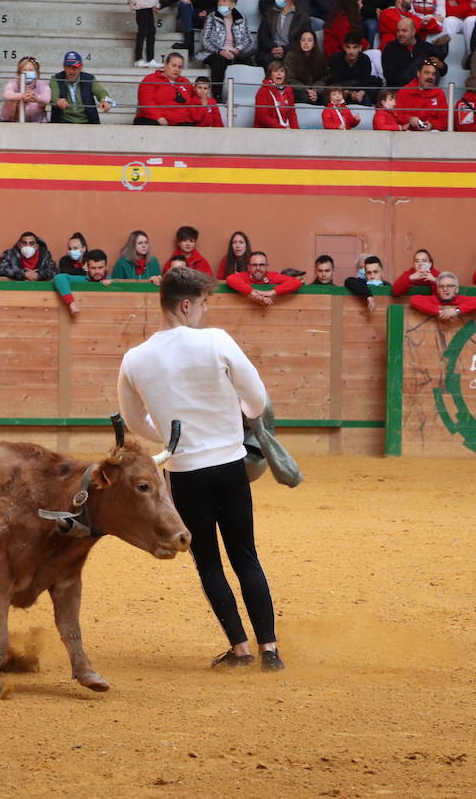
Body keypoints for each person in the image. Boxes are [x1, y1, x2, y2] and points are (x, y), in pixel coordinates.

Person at [117, 267, 283, 672]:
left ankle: (240, 649)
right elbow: (257, 398)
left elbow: (133, 420)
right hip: (229, 465)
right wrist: (241, 417)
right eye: (204, 304)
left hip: (185, 470)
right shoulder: (216, 341)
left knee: (207, 560)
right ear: (186, 304)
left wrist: (169, 435)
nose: (205, 312)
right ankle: (270, 651)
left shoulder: (135, 358)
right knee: (246, 555)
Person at [198, 0, 256, 94]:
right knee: (219, 61)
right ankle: (217, 96)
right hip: (215, 53)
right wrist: (220, 51)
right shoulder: (212, 17)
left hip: (235, 52)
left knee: (247, 62)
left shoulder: (241, 18)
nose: (221, 3)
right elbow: (205, 41)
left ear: (233, 4)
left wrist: (238, 50)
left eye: (224, 1)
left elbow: (249, 40)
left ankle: (244, 95)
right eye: (219, 1)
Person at [51, 50, 115, 122]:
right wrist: (57, 100)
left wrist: (104, 100)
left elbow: (100, 91)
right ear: (64, 67)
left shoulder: (89, 79)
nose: (71, 71)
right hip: (63, 122)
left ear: (81, 67)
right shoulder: (56, 79)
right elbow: (53, 96)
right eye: (68, 67)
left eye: (75, 67)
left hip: (87, 122)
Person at [226, 251, 302, 304]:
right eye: (254, 265)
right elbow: (230, 279)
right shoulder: (244, 275)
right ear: (249, 267)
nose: (258, 268)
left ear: (266, 266)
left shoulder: (272, 276)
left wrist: (271, 292)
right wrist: (253, 293)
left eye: (261, 265)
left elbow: (296, 282)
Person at [394, 56, 449, 129]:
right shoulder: (404, 92)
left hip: (432, 134)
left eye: (433, 74)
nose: (430, 77)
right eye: (427, 73)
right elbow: (397, 115)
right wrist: (409, 119)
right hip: (409, 134)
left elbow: (445, 120)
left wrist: (432, 125)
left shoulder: (439, 93)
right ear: (418, 74)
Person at [328, 34, 382, 106]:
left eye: (355, 47)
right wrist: (347, 92)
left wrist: (361, 93)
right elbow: (335, 80)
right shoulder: (336, 59)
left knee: (367, 98)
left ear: (360, 48)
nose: (351, 51)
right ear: (344, 47)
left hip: (359, 90)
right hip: (341, 91)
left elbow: (366, 81)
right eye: (348, 47)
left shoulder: (365, 59)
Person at [53, 249, 112, 314]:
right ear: (88, 267)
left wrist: (112, 285)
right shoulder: (82, 280)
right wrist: (71, 303)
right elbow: (59, 278)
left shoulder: (111, 281)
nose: (97, 271)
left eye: (100, 268)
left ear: (105, 267)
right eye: (93, 268)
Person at [408, 271, 476, 320]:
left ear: (456, 289)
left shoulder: (461, 299)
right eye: (441, 286)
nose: (445, 289)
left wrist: (457, 311)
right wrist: (439, 312)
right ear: (437, 290)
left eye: (449, 286)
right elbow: (414, 299)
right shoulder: (434, 299)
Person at [0, 56, 51, 122]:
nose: (27, 72)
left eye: (31, 70)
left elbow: (47, 98)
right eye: (24, 70)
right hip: (10, 122)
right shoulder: (13, 82)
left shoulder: (43, 84)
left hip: (38, 124)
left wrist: (36, 97)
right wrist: (22, 96)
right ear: (19, 73)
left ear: (37, 73)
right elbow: (7, 94)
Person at [284, 28, 328, 103]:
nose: (306, 43)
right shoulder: (290, 56)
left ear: (314, 44)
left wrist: (315, 90)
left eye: (310, 40)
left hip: (315, 89)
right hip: (298, 90)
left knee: (326, 98)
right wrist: (306, 90)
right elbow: (290, 79)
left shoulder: (320, 57)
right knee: (305, 97)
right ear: (299, 42)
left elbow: (323, 79)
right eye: (303, 40)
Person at [253, 60, 299, 128]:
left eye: (282, 71)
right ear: (270, 75)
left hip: (284, 131)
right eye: (275, 71)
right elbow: (262, 117)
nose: (279, 74)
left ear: (285, 75)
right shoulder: (263, 91)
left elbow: (292, 114)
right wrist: (281, 129)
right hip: (266, 131)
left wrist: (296, 132)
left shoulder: (289, 91)